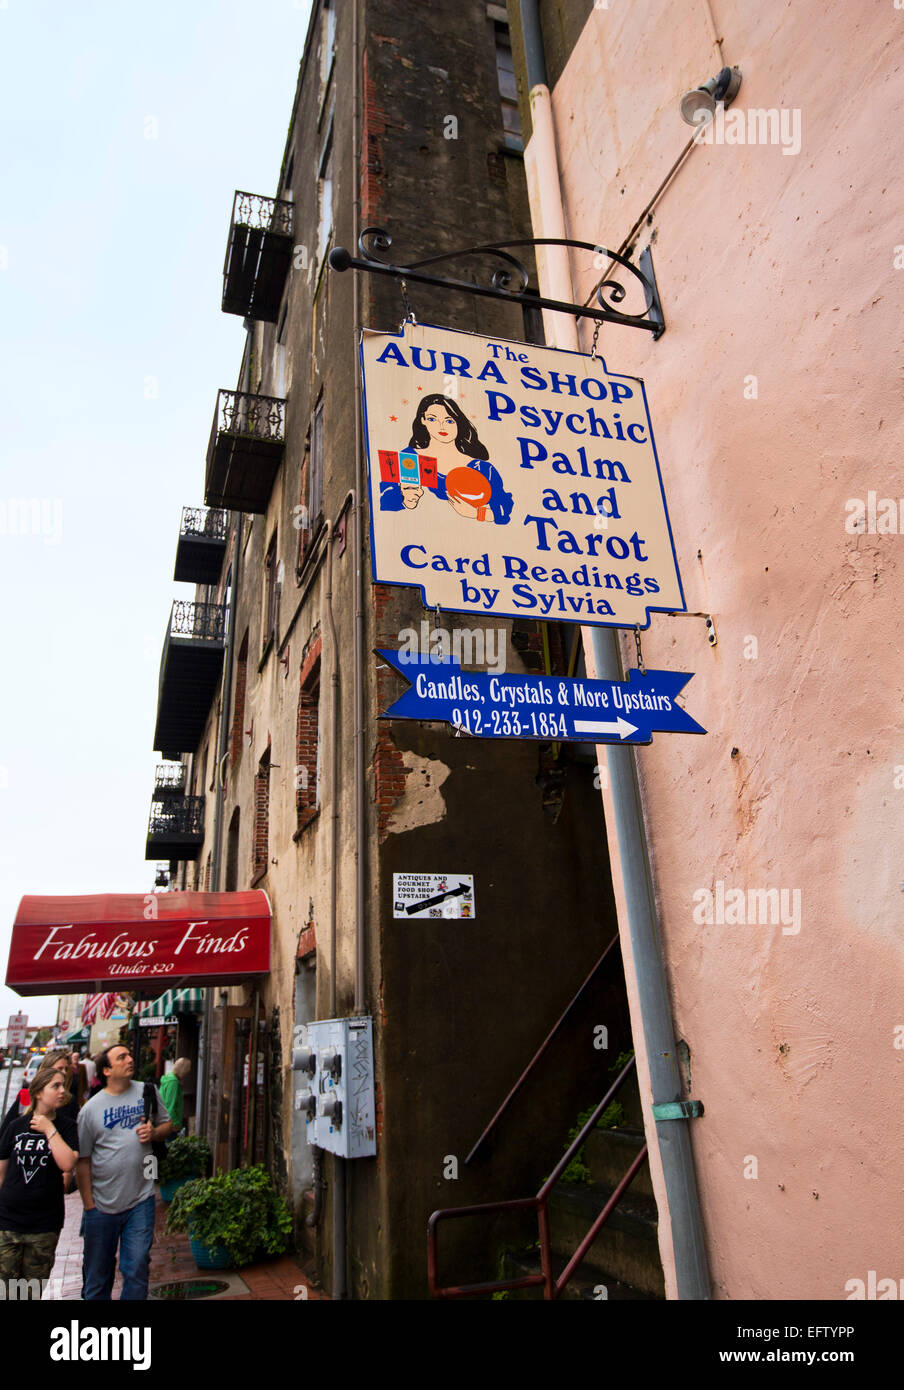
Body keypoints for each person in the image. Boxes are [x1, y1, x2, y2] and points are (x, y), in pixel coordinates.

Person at [76, 1043, 173, 1301]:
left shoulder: (147, 1091)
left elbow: (167, 1125)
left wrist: (154, 1132)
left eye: (130, 1054)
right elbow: (83, 1161)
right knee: (98, 1275)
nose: (130, 1059)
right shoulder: (90, 1110)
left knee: (137, 1267)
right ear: (106, 1070)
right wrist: (89, 1206)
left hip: (140, 1200)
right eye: (122, 1057)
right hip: (101, 1205)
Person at [0, 1068, 79, 1297]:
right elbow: (2, 1172)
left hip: (43, 1224)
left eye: (63, 1085)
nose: (62, 1090)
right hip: (8, 1221)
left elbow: (67, 1164)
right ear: (38, 1093)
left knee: (31, 1292)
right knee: (6, 1291)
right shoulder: (16, 1126)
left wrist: (49, 1129)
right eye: (55, 1086)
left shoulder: (66, 1127)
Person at [379, 394, 514, 523]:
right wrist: (405, 500)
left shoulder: (482, 468)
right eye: (432, 419)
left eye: (449, 420)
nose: (442, 426)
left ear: (458, 423)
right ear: (423, 420)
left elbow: (504, 512)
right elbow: (384, 504)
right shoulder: (409, 459)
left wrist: (476, 513)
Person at [158, 1058, 190, 1136]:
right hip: (170, 1124)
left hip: (164, 1121)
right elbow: (170, 1105)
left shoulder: (168, 1078)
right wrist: (175, 1124)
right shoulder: (173, 1082)